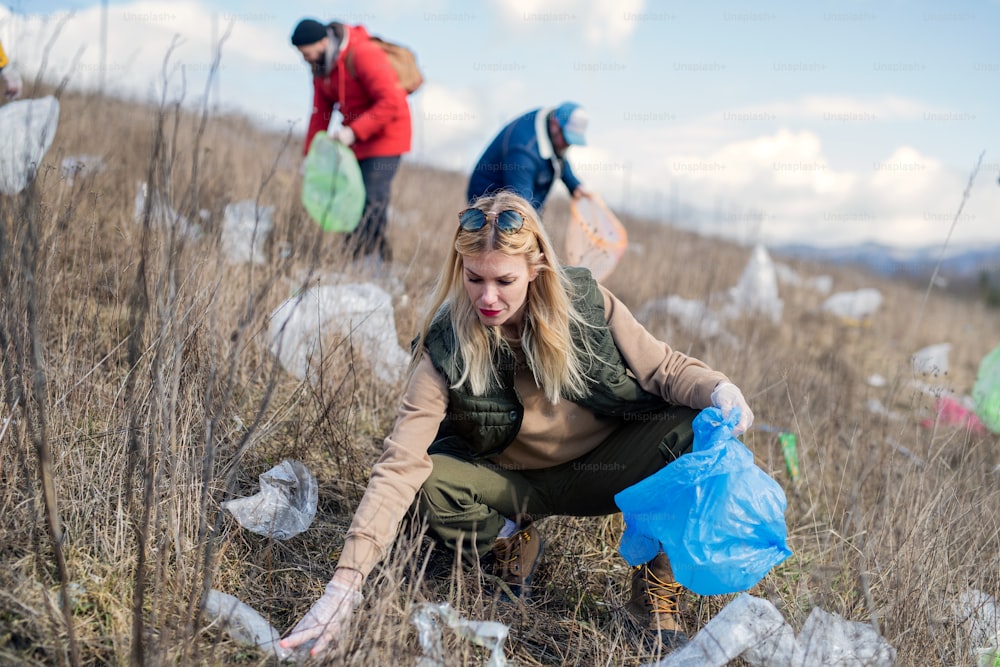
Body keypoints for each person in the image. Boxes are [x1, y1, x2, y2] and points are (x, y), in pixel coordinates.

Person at [279, 191, 755, 657]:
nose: (487, 297)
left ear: (535, 268)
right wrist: (345, 585)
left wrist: (719, 389)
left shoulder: (587, 304)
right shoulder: (443, 343)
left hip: (606, 471)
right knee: (427, 479)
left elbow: (664, 370)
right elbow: (400, 461)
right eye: (474, 278)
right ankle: (512, 540)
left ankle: (651, 593)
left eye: (504, 280)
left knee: (697, 426)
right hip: (512, 485)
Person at [291, 18, 412, 265]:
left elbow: (392, 101)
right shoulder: (320, 68)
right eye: (301, 55)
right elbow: (319, 112)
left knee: (372, 199)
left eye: (307, 53)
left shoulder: (363, 54)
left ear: (323, 41)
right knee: (351, 197)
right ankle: (357, 258)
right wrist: (309, 155)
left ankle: (369, 262)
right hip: (356, 141)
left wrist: (352, 132)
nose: (305, 59)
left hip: (387, 138)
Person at [466, 102, 592, 213]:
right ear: (555, 125)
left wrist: (574, 185)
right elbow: (521, 208)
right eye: (566, 139)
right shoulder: (523, 153)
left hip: (520, 194)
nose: (567, 144)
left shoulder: (549, 129)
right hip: (489, 203)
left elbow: (557, 157)